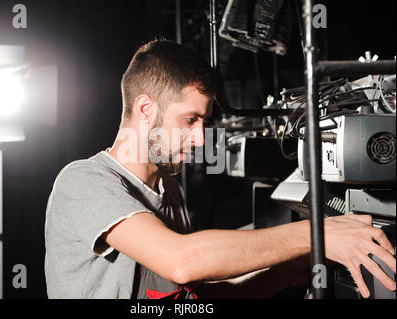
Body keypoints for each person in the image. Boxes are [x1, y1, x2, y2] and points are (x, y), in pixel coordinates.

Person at [44, 39, 396, 299]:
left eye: (204, 121)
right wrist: (318, 233)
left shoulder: (171, 190)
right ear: (146, 109)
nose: (199, 138)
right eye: (190, 120)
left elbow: (194, 299)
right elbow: (181, 261)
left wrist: (288, 271)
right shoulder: (83, 181)